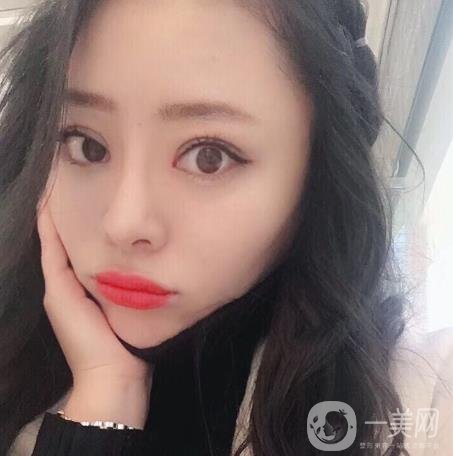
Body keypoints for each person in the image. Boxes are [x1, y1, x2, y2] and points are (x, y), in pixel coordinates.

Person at [1, 0, 452, 455]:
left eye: (209, 156)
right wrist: (103, 398)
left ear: (318, 171)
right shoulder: (18, 356)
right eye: (87, 145)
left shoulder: (425, 397)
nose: (124, 223)